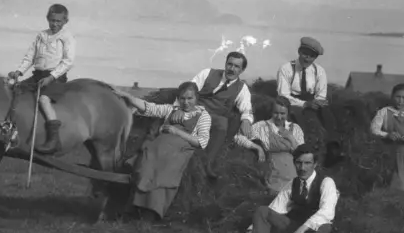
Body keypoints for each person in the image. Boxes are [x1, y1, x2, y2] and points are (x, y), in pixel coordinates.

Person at [111, 81, 211, 221]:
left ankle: (150, 213)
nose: (186, 102)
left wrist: (177, 131)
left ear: (197, 98)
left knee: (165, 169)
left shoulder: (203, 116)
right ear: (178, 98)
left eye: (190, 98)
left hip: (180, 149)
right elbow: (150, 108)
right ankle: (134, 208)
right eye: (182, 98)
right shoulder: (171, 109)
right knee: (147, 161)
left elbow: (202, 142)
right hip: (159, 145)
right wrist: (129, 97)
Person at [237, 143, 339, 233]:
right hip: (294, 226)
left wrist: (302, 229)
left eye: (307, 163)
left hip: (314, 227)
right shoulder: (293, 183)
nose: (302, 168)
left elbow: (327, 211)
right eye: (299, 163)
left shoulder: (326, 182)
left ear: (315, 164)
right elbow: (276, 207)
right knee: (263, 211)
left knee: (325, 227)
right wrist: (252, 232)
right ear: (294, 163)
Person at [6, 3, 75, 154]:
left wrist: (52, 77)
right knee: (14, 90)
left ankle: (54, 139)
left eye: (58, 21)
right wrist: (19, 71)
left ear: (65, 21)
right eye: (52, 20)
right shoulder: (41, 35)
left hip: (56, 77)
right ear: (47, 19)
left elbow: (68, 61)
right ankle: (11, 129)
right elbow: (30, 56)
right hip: (37, 75)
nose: (55, 24)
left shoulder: (66, 37)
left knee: (43, 99)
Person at [190, 52, 254, 180]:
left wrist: (246, 120)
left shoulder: (242, 88)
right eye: (229, 64)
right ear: (225, 64)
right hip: (195, 111)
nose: (231, 69)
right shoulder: (207, 73)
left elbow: (247, 108)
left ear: (242, 70)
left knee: (222, 122)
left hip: (214, 119)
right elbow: (189, 89)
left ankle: (208, 163)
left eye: (236, 66)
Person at [233, 95, 306, 193]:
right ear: (271, 112)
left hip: (295, 176)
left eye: (282, 113)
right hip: (273, 177)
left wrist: (291, 138)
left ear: (288, 113)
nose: (279, 117)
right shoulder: (262, 127)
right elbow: (238, 137)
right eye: (276, 113)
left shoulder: (295, 129)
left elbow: (303, 156)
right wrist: (257, 147)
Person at [276, 36, 336, 141]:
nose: (307, 58)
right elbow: (283, 95)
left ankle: (333, 144)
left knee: (329, 118)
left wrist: (318, 102)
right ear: (299, 52)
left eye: (312, 56)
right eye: (305, 54)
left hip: (312, 102)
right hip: (291, 103)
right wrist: (304, 104)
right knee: (300, 123)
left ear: (315, 58)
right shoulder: (286, 68)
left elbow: (321, 94)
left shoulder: (319, 71)